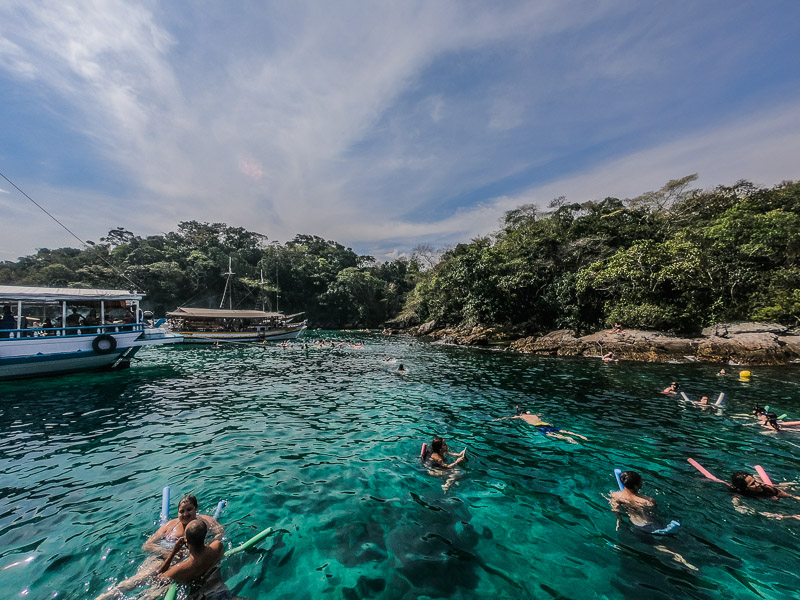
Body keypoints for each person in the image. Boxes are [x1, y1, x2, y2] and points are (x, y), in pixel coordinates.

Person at [94, 494, 223, 600]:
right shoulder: (170, 525)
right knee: (140, 578)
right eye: (181, 511)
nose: (185, 514)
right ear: (177, 512)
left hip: (184, 562)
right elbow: (147, 545)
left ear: (196, 508)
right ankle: (106, 597)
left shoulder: (206, 521)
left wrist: (207, 545)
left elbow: (219, 532)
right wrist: (166, 552)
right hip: (161, 558)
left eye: (189, 509)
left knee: (156, 591)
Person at [608, 471, 695, 569]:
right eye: (641, 482)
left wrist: (619, 521)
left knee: (656, 545)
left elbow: (615, 510)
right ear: (636, 486)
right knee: (669, 539)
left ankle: (677, 557)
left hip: (639, 526)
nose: (642, 483)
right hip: (653, 523)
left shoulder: (616, 496)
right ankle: (679, 555)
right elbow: (654, 514)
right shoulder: (648, 500)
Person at [156, 519, 237, 600]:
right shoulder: (217, 547)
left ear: (186, 541)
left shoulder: (181, 568)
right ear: (204, 535)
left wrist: (173, 553)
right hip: (222, 591)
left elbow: (159, 579)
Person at [497, 407, 588, 444]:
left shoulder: (521, 417)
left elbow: (508, 418)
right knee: (562, 430)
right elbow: (540, 414)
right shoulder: (534, 415)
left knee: (552, 434)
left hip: (539, 426)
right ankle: (579, 435)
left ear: (520, 414)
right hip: (545, 423)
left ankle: (567, 438)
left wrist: (500, 419)